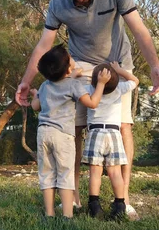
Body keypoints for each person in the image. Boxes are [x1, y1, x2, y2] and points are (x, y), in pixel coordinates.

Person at [16, 0, 159, 219]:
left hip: (117, 65)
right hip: (81, 67)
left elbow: (138, 29)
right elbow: (44, 45)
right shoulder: (58, 2)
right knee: (73, 129)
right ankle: (71, 198)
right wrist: (27, 80)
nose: (80, 0)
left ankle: (124, 198)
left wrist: (154, 66)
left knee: (122, 127)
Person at [29, 44, 108, 219]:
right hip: (63, 136)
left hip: (43, 133)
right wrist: (101, 84)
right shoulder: (73, 84)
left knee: (47, 173)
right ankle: (67, 215)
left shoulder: (45, 85)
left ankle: (49, 214)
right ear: (68, 67)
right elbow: (92, 103)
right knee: (65, 173)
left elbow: (35, 106)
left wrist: (35, 94)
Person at [82, 62, 139, 221]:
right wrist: (121, 71)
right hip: (114, 133)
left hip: (95, 132)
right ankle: (120, 206)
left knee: (95, 172)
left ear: (94, 80)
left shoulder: (89, 90)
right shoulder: (119, 88)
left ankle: (94, 206)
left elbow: (76, 92)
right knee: (115, 172)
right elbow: (135, 81)